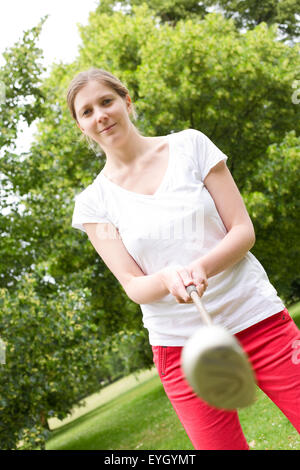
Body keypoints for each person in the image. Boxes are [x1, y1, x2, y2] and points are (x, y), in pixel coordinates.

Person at [68, 68, 300, 450]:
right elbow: (133, 284)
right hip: (181, 349)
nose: (100, 115)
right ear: (82, 126)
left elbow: (242, 230)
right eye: (87, 112)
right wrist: (167, 279)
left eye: (106, 101)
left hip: (257, 319)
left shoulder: (191, 146)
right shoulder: (94, 204)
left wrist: (200, 268)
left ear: (127, 101)